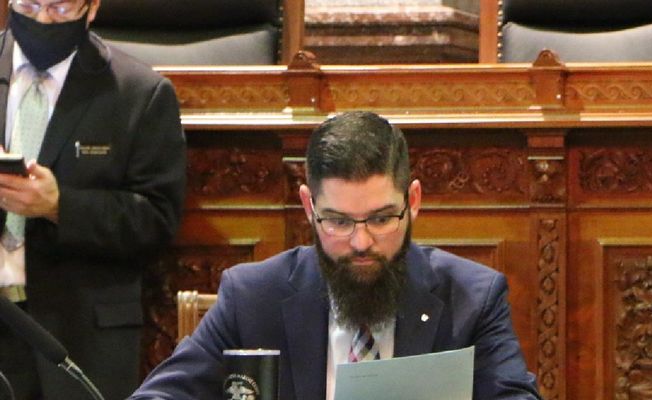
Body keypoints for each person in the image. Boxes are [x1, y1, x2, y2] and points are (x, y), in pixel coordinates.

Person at [132, 111, 541, 400]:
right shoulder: (253, 297)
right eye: (339, 222)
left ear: (413, 200)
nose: (361, 242)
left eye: (382, 219)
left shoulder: (471, 298)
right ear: (309, 207)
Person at [0, 0, 187, 398]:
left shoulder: (139, 92)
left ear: (92, 7)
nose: (42, 21)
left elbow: (156, 220)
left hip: (79, 337)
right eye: (29, 6)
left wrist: (59, 206)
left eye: (60, 9)